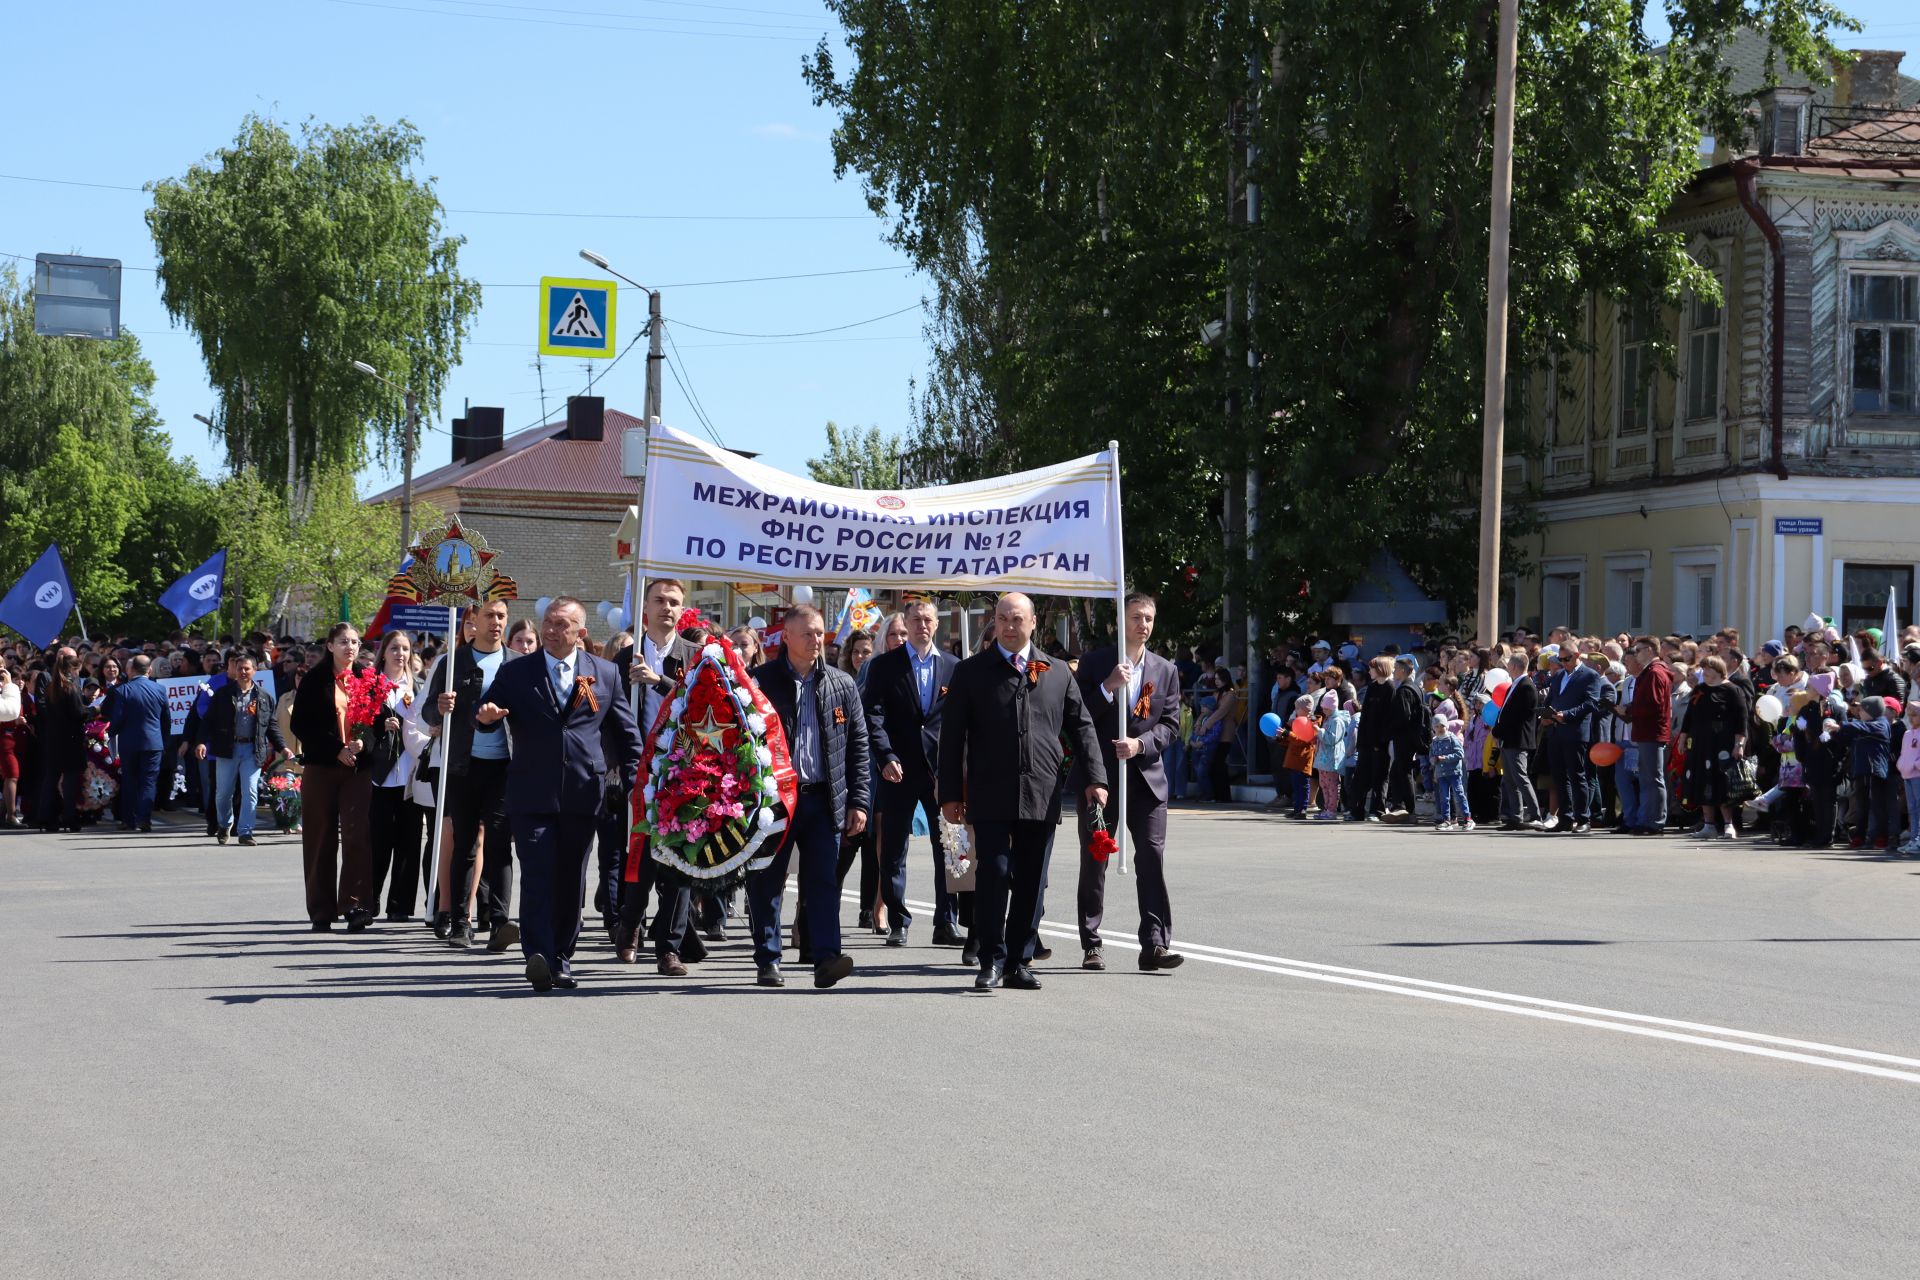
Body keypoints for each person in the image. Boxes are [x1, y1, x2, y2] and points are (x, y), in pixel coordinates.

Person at [475, 597, 643, 992]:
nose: (550, 630)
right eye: (547, 623)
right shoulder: (517, 672)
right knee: (537, 874)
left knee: (571, 880)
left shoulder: (604, 674)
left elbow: (626, 735)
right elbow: (487, 708)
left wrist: (639, 781)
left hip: (584, 794)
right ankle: (538, 954)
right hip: (532, 792)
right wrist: (485, 717)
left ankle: (562, 957)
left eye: (561, 625)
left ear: (581, 633)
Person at [940, 592, 1105, 992]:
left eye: (1017, 619)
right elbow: (951, 737)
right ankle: (991, 959)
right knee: (994, 872)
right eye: (1002, 619)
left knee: (1033, 879)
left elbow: (1081, 727)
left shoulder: (1057, 671)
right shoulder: (971, 671)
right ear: (994, 623)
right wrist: (949, 794)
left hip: (1041, 790)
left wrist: (1096, 780)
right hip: (989, 791)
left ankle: (1019, 960)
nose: (1010, 626)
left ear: (1033, 623)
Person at [743, 604, 871, 989]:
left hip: (822, 799)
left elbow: (858, 746)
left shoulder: (841, 683)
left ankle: (826, 957)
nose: (816, 640)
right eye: (807, 633)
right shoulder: (760, 682)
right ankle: (768, 958)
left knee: (823, 882)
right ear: (786, 637)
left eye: (820, 634)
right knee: (767, 879)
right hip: (774, 801)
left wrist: (859, 802)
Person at [1070, 592, 1183, 972]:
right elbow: (1078, 716)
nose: (1144, 624)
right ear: (1123, 619)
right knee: (1096, 859)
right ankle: (1092, 943)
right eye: (1137, 616)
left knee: (1151, 857)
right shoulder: (1096, 661)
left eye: (1149, 618)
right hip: (1100, 779)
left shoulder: (1164, 669)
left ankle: (1154, 944)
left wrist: (1141, 744)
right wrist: (1108, 687)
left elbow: (1169, 725)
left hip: (1146, 779)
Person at [610, 579, 706, 972]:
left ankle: (668, 946)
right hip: (637, 774)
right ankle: (631, 921)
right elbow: (606, 717)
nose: (667, 608)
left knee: (681, 859)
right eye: (659, 601)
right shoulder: (621, 659)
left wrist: (660, 682)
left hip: (682, 771)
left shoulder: (696, 655)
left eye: (674, 602)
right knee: (641, 858)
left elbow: (703, 706)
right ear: (644, 608)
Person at [862, 600, 963, 950]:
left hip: (940, 773)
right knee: (893, 848)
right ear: (905, 622)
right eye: (916, 619)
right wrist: (885, 755)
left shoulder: (953, 666)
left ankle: (946, 922)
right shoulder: (884, 666)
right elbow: (871, 716)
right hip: (897, 770)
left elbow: (960, 723)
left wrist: (956, 767)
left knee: (950, 848)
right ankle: (898, 920)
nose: (922, 625)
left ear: (937, 624)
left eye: (928, 619)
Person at [421, 599, 519, 952]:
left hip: (503, 767)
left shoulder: (516, 664)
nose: (496, 622)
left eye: (502, 616)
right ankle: (461, 923)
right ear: (473, 621)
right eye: (489, 615)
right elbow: (429, 709)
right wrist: (441, 707)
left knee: (499, 845)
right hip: (462, 765)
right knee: (464, 844)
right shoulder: (453, 662)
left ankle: (499, 921)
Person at [290, 624, 378, 932]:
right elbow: (302, 724)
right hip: (322, 767)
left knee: (356, 835)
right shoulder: (316, 680)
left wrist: (363, 742)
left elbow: (375, 723)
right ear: (330, 646)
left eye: (354, 642)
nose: (350, 647)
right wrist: (335, 749)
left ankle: (356, 905)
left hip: (356, 769)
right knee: (320, 836)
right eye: (343, 642)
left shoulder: (366, 679)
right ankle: (321, 910)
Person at [367, 631, 428, 919]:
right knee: (377, 844)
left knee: (409, 844)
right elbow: (358, 725)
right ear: (384, 653)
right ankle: (369, 901)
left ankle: (400, 907)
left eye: (405, 648)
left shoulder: (419, 686)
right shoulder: (370, 685)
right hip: (379, 776)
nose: (399, 654)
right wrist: (381, 726)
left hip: (411, 777)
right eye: (394, 648)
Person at [197, 650, 285, 846]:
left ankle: (246, 831)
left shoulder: (264, 697)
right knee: (223, 793)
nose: (243, 672)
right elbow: (208, 721)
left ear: (255, 671)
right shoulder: (222, 694)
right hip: (227, 748)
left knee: (250, 791)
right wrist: (202, 741)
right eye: (239, 669)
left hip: (252, 750)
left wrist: (283, 747)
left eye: (247, 668)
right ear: (234, 671)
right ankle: (224, 824)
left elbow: (271, 726)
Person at [1680, 655, 1750, 840]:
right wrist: (1683, 737)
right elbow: (1689, 716)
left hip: (1723, 743)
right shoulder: (1699, 690)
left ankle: (1728, 824)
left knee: (1722, 783)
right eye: (1703, 668)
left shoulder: (1732, 690)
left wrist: (1739, 743)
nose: (1705, 672)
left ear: (1718, 670)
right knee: (1703, 782)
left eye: (1708, 668)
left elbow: (1741, 719)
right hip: (1700, 743)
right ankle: (1708, 824)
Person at [1541, 648, 1602, 834]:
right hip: (1556, 732)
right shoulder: (1559, 676)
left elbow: (1591, 702)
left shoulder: (1590, 675)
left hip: (1575, 732)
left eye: (1567, 658)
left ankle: (1583, 818)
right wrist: (1546, 714)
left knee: (1577, 775)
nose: (1564, 662)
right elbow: (1551, 699)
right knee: (1559, 777)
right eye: (1561, 659)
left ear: (1576, 656)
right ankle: (1565, 818)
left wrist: (1566, 715)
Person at [106, 654, 169, 833]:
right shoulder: (159, 690)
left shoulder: (122, 690)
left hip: (129, 743)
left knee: (130, 781)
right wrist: (163, 740)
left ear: (130, 670)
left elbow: (117, 719)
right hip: (154, 743)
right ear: (149, 670)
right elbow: (166, 719)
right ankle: (145, 819)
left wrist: (110, 733)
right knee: (149, 782)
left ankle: (128, 819)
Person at [37, 653, 87, 833]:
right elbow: (78, 714)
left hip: (53, 739)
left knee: (51, 778)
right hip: (70, 740)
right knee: (70, 780)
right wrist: (94, 709)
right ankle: (69, 817)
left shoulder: (52, 687)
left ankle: (45, 817)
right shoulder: (71, 688)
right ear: (73, 670)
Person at [1491, 653, 1541, 829]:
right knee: (1510, 780)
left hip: (1518, 739)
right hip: (1508, 739)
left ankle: (1535, 815)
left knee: (1520, 777)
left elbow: (1515, 716)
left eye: (1508, 665)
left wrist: (1498, 731)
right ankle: (1515, 817)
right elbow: (1504, 712)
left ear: (1514, 666)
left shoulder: (1526, 686)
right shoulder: (1516, 685)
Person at [0, 660, 24, 826]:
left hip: (11, 738)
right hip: (3, 737)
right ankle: (10, 815)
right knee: (12, 772)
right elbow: (9, 711)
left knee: (12, 774)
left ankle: (10, 813)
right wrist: (9, 686)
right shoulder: (8, 687)